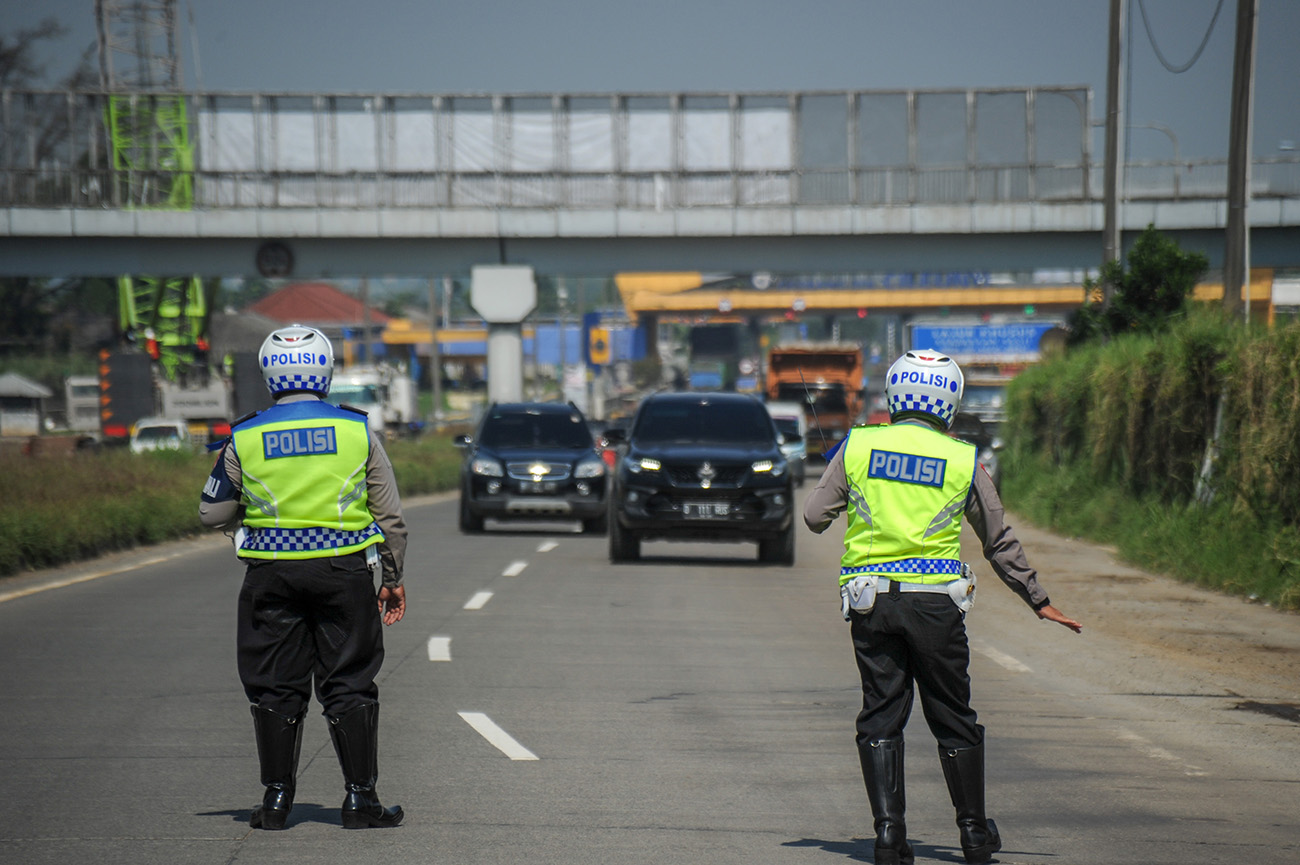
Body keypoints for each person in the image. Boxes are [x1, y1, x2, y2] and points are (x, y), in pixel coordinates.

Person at [803, 349, 1081, 865]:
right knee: (952, 715)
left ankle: (888, 836)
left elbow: (814, 516)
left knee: (881, 717)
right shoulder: (962, 459)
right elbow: (998, 541)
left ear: (894, 395)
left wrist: (845, 486)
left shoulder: (858, 446)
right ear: (950, 401)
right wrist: (1038, 601)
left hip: (873, 605)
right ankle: (974, 834)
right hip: (936, 608)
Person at [199, 324, 408, 830]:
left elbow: (211, 512)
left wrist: (245, 525)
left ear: (269, 375)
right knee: (349, 680)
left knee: (274, 684)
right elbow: (390, 518)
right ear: (327, 372)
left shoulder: (244, 436)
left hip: (270, 577)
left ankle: (275, 801)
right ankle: (361, 800)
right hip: (344, 573)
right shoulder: (357, 431)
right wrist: (392, 576)